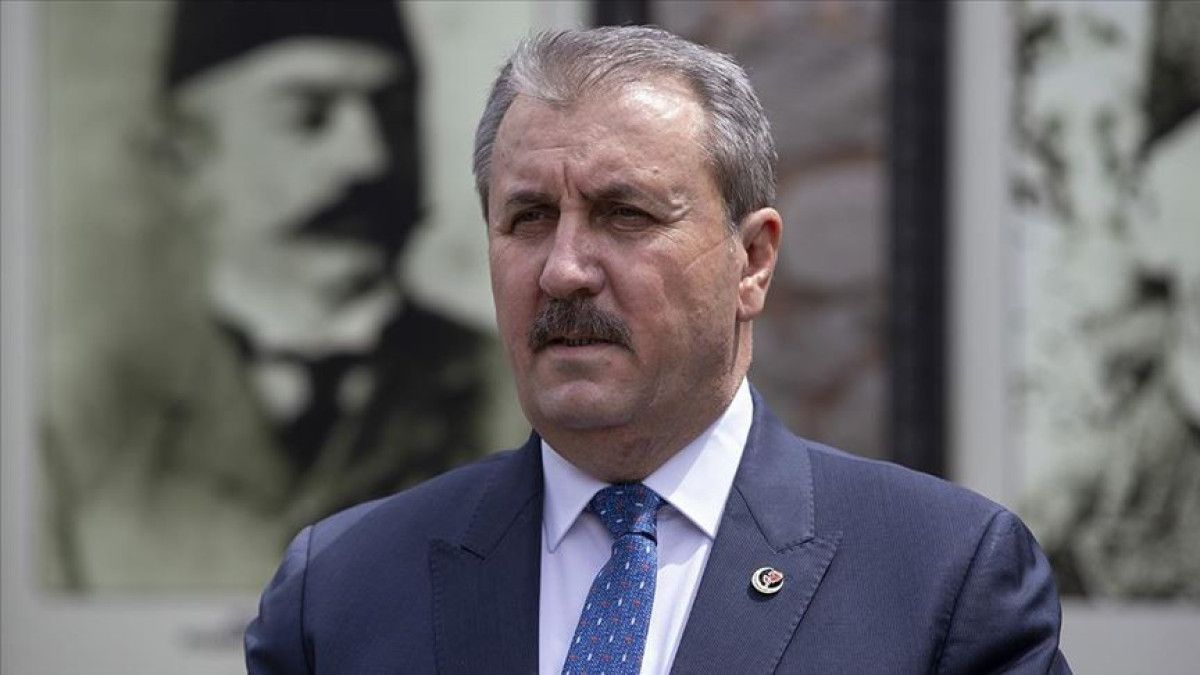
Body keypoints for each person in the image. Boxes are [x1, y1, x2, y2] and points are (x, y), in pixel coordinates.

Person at [246, 26, 1069, 673]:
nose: (564, 270)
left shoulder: (942, 579)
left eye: (626, 214)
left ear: (752, 261)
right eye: (529, 218)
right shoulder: (339, 593)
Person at [42, 0, 504, 590]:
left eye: (391, 113)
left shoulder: (518, 401)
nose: (369, 159)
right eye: (309, 116)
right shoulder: (80, 426)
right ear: (184, 158)